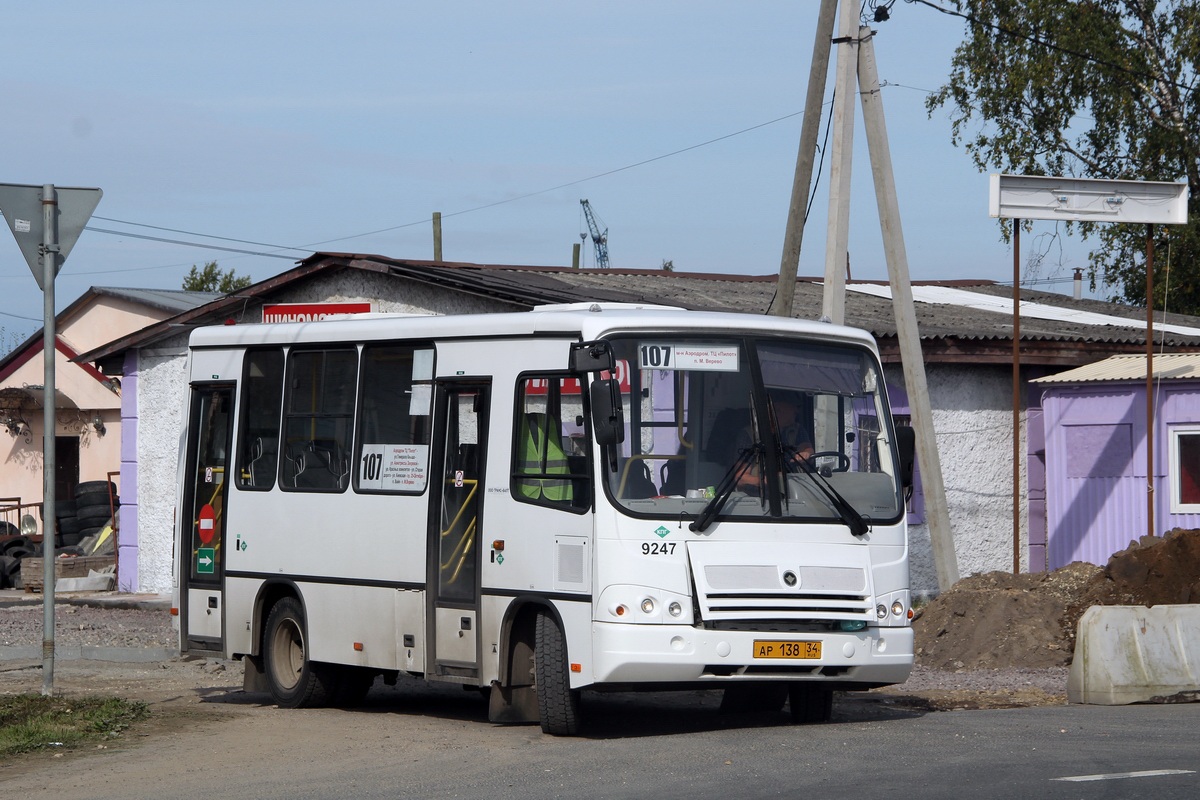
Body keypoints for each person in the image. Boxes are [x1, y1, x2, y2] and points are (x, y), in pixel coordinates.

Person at [734, 394, 813, 492]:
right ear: (777, 410)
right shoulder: (749, 435)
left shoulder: (796, 430)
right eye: (793, 408)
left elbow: (806, 447)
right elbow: (740, 478)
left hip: (793, 494)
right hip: (759, 498)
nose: (796, 411)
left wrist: (806, 453)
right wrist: (766, 481)